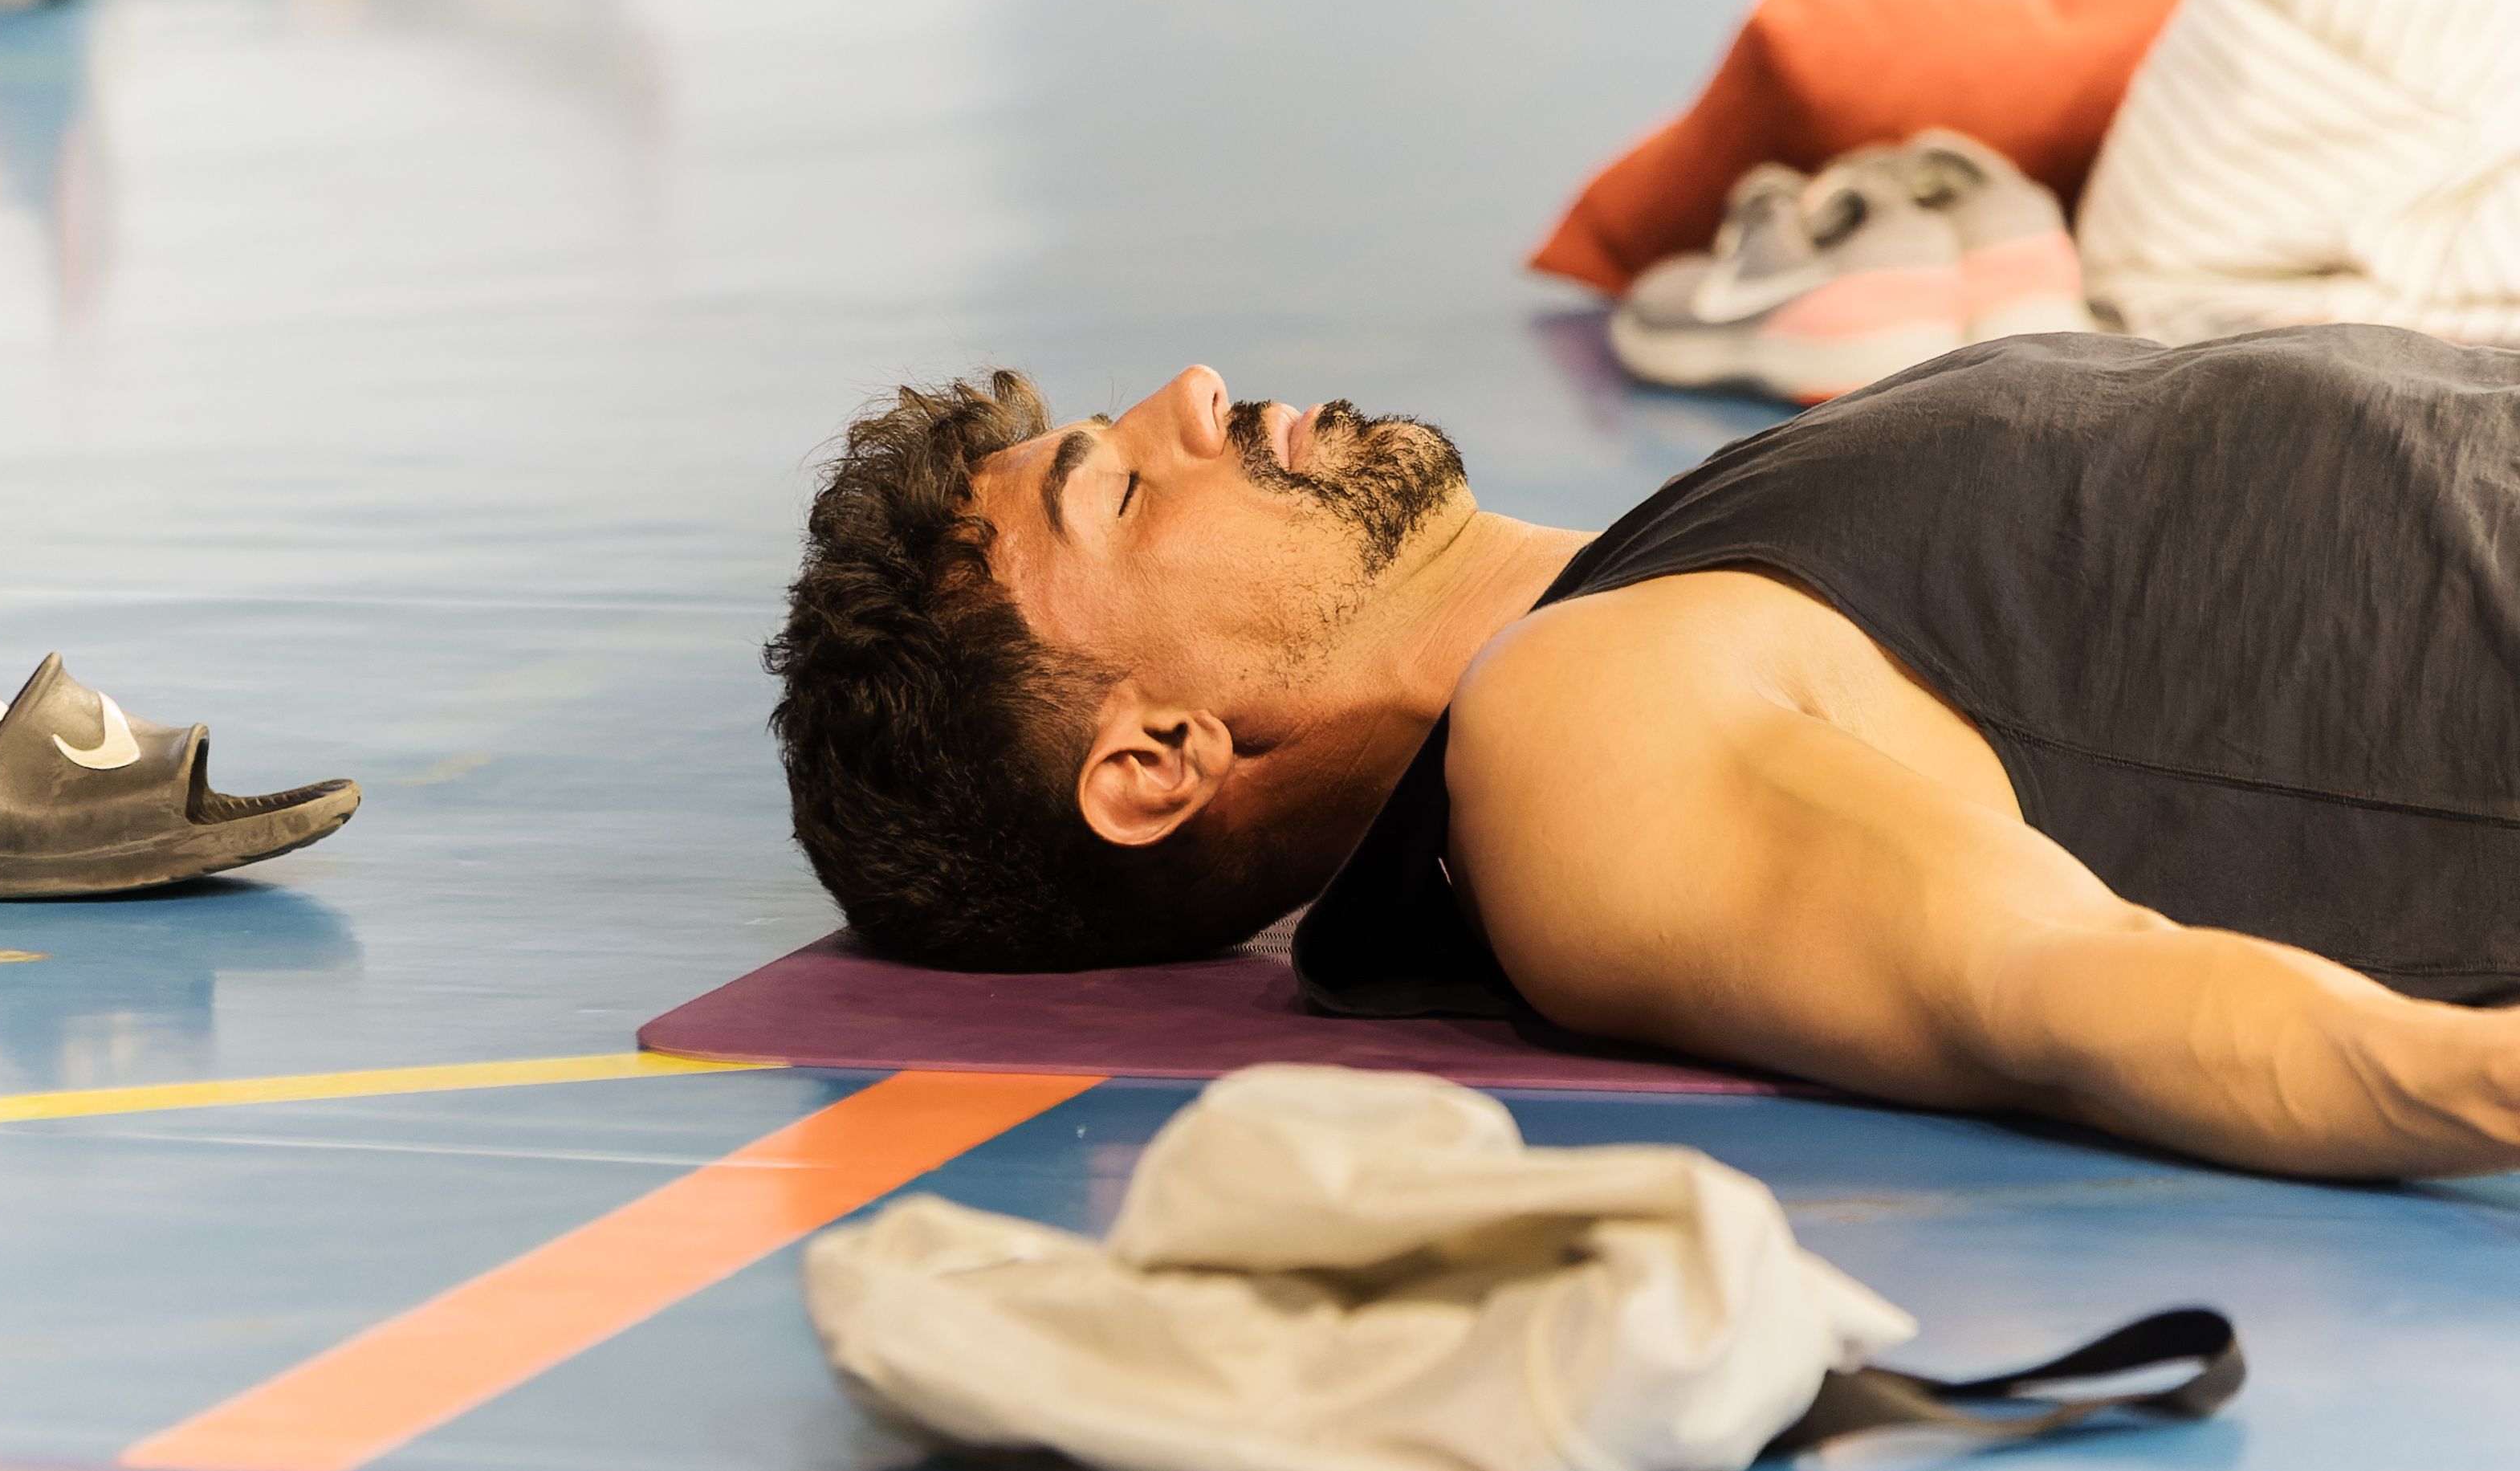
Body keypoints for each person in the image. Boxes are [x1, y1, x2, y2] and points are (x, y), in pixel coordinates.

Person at [768, 324, 2520, 1182]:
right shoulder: (1577, 741)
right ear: (1157, 756)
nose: (1205, 388)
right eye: (1130, 484)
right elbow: (2066, 989)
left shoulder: (1659, 571)